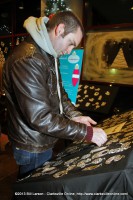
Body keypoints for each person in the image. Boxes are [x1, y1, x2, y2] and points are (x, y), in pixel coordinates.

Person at [2, 11, 107, 177]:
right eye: (71, 43)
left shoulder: (47, 53)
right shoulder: (29, 60)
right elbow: (40, 117)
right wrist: (86, 132)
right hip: (32, 143)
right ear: (60, 30)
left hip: (43, 138)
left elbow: (60, 93)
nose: (70, 51)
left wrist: (75, 115)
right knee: (32, 190)